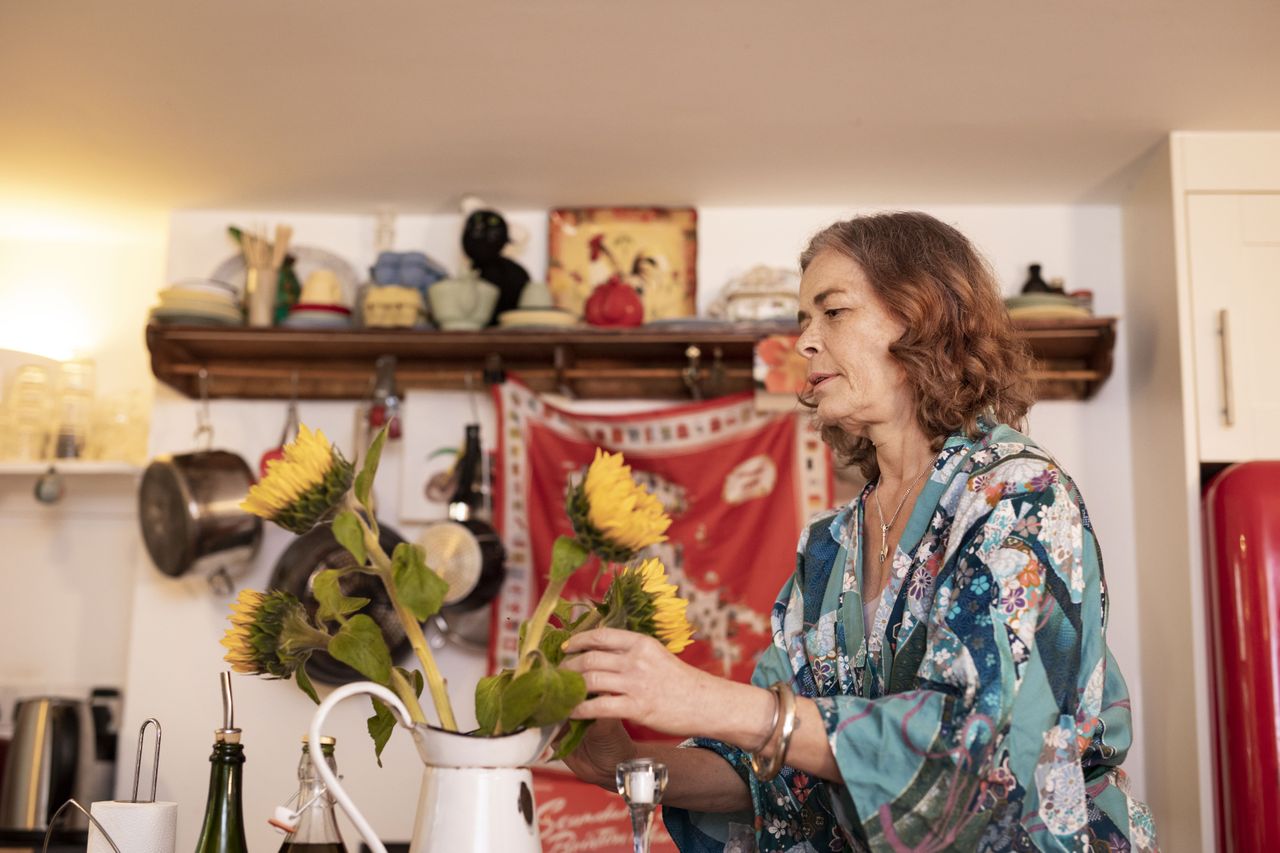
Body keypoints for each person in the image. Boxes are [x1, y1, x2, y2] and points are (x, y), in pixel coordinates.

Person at [561, 212, 1157, 852]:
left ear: (922, 316)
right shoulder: (829, 547)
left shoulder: (1018, 494)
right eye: (802, 322)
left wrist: (702, 699)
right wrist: (618, 764)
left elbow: (973, 750)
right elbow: (779, 772)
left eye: (833, 312)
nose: (804, 343)